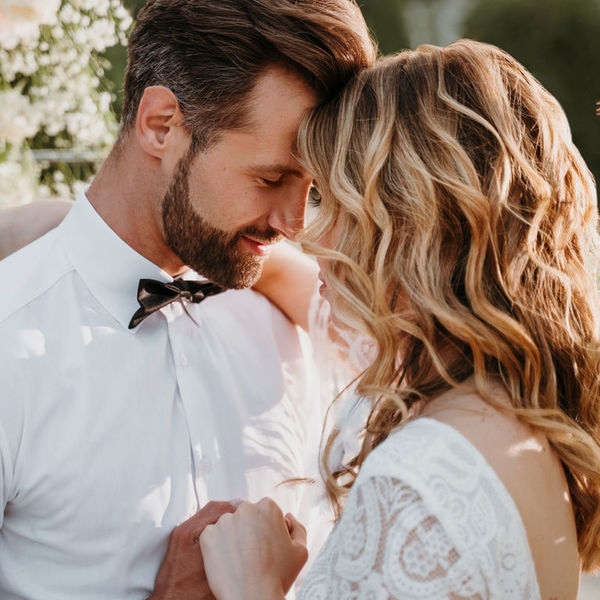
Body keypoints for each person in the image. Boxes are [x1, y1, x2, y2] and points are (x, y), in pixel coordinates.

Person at [198, 40, 600, 599]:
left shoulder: (421, 483)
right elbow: (297, 284)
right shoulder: (513, 419)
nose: (312, 236)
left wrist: (254, 587)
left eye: (333, 202)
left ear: (408, 227)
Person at [0, 1, 375, 599]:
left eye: (312, 189)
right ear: (161, 124)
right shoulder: (10, 344)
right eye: (271, 179)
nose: (295, 223)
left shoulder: (291, 326)